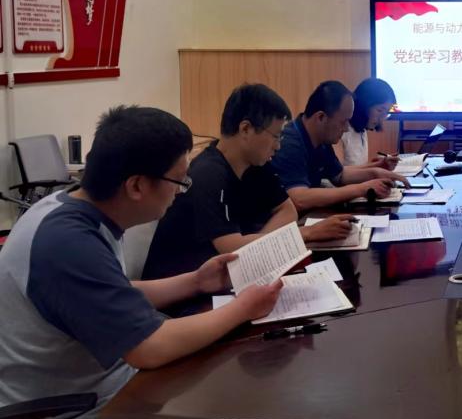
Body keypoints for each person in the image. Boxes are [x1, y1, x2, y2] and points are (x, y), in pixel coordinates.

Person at [0, 106, 280, 419]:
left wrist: (195, 281)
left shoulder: (67, 207)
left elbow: (109, 292)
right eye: (179, 181)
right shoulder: (67, 242)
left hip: (97, 400)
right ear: (136, 186)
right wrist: (244, 308)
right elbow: (149, 348)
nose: (181, 191)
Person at [143, 84, 353, 282]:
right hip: (182, 289)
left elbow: (287, 210)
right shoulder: (207, 174)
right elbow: (233, 249)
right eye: (276, 136)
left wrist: (260, 245)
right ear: (245, 129)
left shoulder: (255, 163)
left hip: (227, 277)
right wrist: (306, 233)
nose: (278, 146)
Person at [272, 80, 407, 212]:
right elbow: (299, 198)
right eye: (343, 122)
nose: (347, 128)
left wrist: (375, 172)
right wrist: (361, 189)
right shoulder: (289, 143)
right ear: (321, 117)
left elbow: (340, 175)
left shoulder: (322, 139)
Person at [340, 77, 399, 169]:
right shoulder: (341, 131)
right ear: (363, 105)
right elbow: (338, 173)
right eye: (380, 110)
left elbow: (357, 168)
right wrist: (376, 167)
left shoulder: (362, 130)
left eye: (386, 112)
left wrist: (379, 165)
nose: (382, 118)